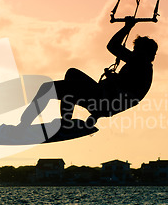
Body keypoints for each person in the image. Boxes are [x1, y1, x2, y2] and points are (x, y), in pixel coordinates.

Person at [18, 17, 158, 130]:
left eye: (135, 49)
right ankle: (66, 121)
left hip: (101, 101)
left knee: (47, 88)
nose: (132, 52)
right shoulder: (143, 69)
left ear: (143, 52)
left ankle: (24, 125)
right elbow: (128, 93)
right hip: (102, 102)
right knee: (72, 74)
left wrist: (127, 27)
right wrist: (97, 115)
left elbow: (112, 46)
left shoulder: (139, 62)